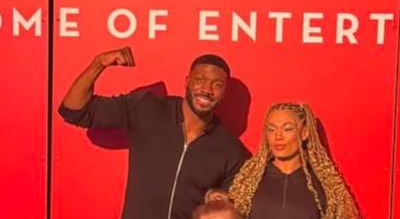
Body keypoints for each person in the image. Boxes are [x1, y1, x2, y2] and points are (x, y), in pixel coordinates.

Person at [58, 46, 250, 219]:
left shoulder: (230, 150)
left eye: (217, 85)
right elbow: (74, 111)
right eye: (200, 80)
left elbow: (232, 210)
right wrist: (99, 63)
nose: (207, 90)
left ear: (224, 93)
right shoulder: (147, 109)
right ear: (187, 81)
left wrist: (221, 202)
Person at [228, 102, 360, 219]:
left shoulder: (324, 185)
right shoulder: (249, 180)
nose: (278, 136)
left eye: (288, 129)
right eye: (271, 129)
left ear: (304, 133)